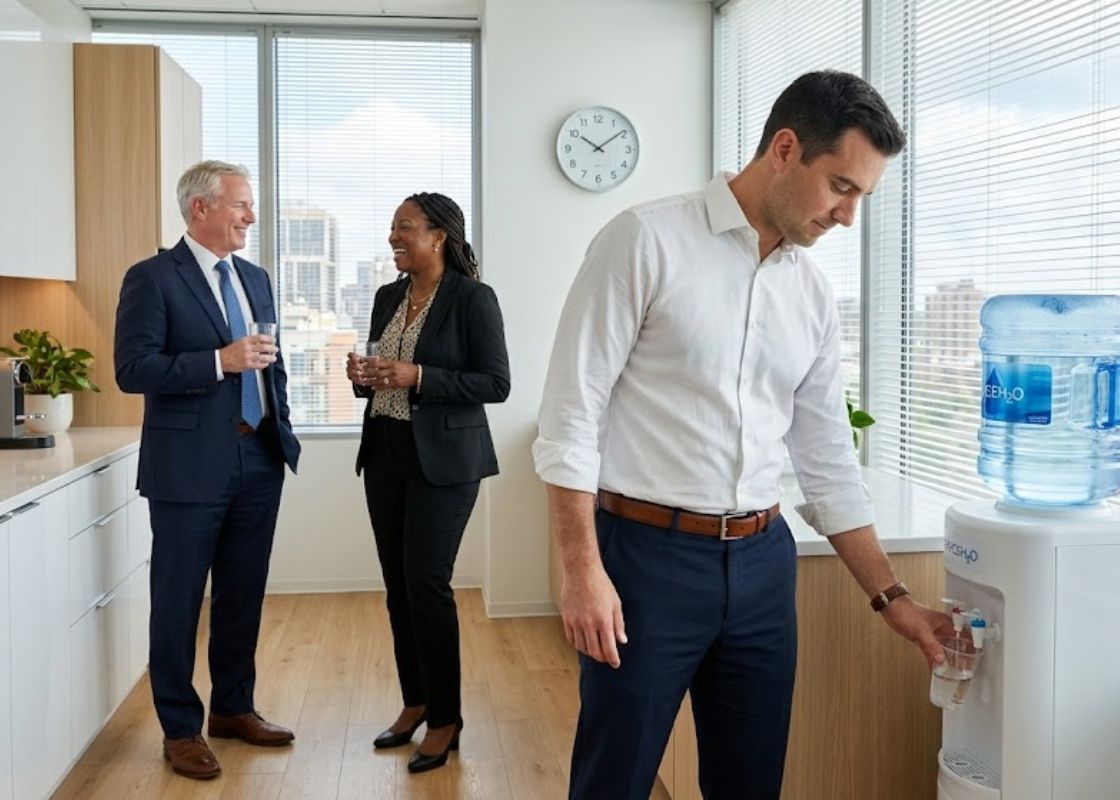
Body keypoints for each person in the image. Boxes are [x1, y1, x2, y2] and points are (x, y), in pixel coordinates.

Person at [534, 71, 957, 799]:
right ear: (785, 149)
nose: (848, 217)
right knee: (615, 780)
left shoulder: (812, 293)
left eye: (862, 197)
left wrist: (895, 599)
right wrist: (581, 570)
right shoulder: (645, 239)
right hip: (646, 564)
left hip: (763, 566)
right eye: (841, 188)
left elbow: (827, 463)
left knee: (750, 784)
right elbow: (573, 412)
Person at [114, 160, 301, 780]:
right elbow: (133, 369)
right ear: (201, 209)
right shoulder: (152, 278)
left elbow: (270, 364)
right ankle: (180, 728)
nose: (251, 216)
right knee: (178, 600)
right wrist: (218, 361)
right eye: (241, 205)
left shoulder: (255, 277)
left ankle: (233, 708)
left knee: (243, 593)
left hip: (258, 457)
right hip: (187, 468)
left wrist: (282, 429)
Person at [345, 192, 510, 773]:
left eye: (405, 228)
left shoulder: (472, 298)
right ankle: (414, 700)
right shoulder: (390, 296)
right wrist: (363, 377)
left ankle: (446, 718)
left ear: (438, 235)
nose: (395, 237)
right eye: (392, 228)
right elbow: (379, 377)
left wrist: (420, 375)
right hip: (385, 453)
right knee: (397, 584)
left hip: (445, 462)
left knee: (427, 583)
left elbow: (495, 383)